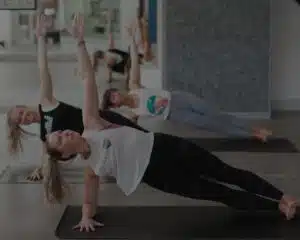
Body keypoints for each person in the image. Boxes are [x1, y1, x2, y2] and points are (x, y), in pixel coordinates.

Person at [44, 14, 297, 232]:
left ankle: (282, 195)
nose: (64, 132)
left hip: (163, 145)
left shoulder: (91, 124)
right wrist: (86, 216)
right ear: (65, 155)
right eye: (60, 139)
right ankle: (277, 207)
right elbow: (89, 200)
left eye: (61, 132)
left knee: (225, 172)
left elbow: (88, 79)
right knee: (219, 192)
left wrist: (79, 42)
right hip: (157, 175)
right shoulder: (92, 167)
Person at [6, 14, 148, 181]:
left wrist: (41, 38)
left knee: (144, 139)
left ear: (23, 107)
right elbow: (51, 157)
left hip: (104, 121)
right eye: (21, 121)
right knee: (137, 162)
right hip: (101, 145)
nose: (25, 118)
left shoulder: (46, 103)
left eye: (21, 113)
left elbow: (43, 69)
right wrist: (40, 169)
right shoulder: (45, 136)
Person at [101, 23, 272, 142]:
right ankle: (252, 135)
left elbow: (135, 61)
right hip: (175, 115)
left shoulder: (134, 86)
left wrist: (132, 39)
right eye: (113, 99)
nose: (116, 96)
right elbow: (126, 128)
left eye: (114, 93)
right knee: (213, 125)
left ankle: (254, 129)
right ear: (115, 105)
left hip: (178, 98)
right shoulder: (133, 113)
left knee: (215, 113)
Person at [92, 8, 152, 85]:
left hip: (134, 58)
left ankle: (141, 22)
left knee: (141, 40)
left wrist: (109, 20)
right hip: (134, 58)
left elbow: (110, 35)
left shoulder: (108, 59)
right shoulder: (109, 56)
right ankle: (141, 22)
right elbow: (110, 35)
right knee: (141, 41)